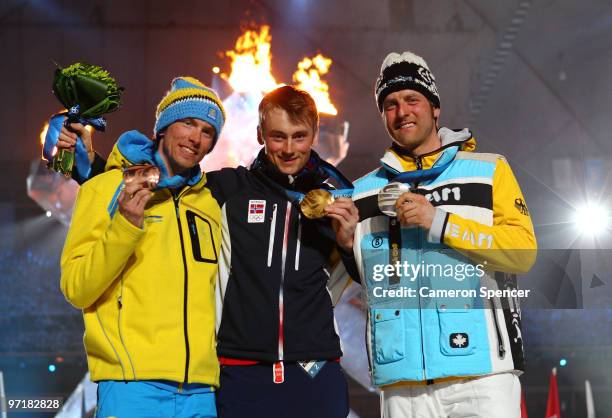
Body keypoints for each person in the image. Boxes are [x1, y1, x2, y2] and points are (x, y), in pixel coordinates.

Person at [60, 85, 360, 418]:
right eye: (278, 136)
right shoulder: (226, 189)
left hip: (306, 374)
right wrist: (94, 170)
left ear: (314, 135)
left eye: (299, 136)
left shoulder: (335, 199)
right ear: (260, 135)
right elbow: (155, 184)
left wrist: (349, 245)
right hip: (233, 375)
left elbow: (359, 279)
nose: (289, 148)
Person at [349, 51, 537, 417]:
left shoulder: (487, 169)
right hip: (401, 382)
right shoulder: (362, 192)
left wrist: (439, 221)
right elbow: (348, 279)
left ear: (435, 108)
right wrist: (343, 244)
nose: (402, 111)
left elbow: (523, 251)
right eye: (390, 104)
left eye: (412, 99)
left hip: (482, 376)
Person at [60, 76, 225, 418]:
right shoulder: (104, 189)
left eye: (207, 131)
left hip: (201, 390)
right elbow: (76, 288)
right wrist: (125, 226)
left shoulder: (210, 204)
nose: (195, 137)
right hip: (132, 386)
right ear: (163, 127)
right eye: (188, 122)